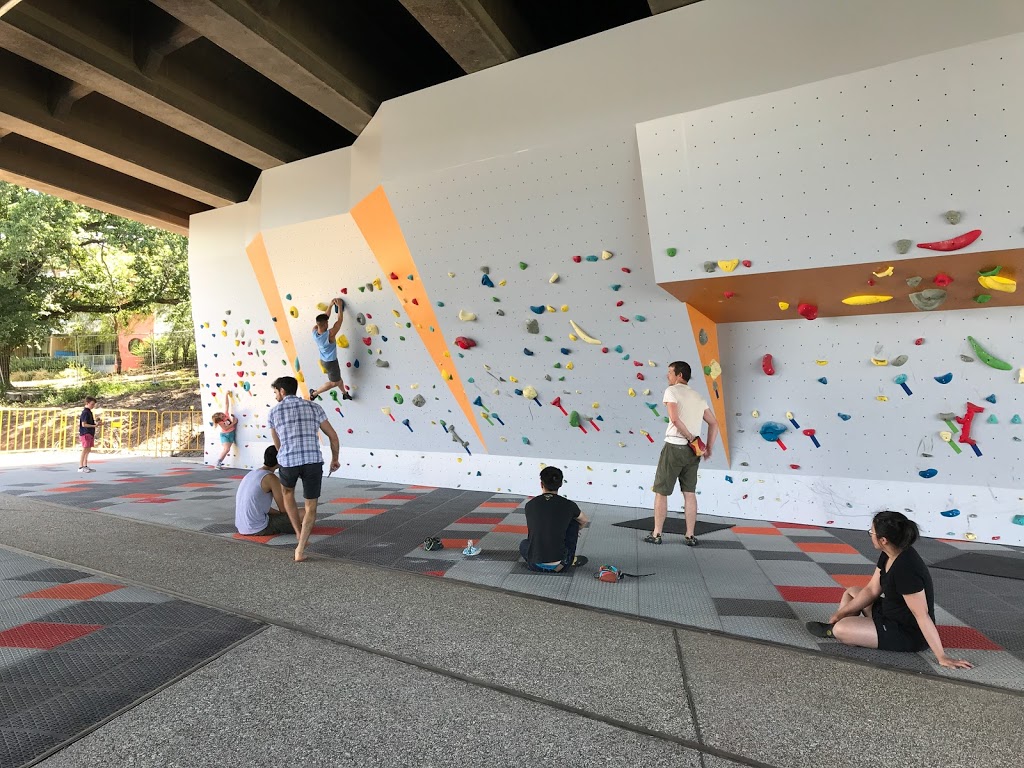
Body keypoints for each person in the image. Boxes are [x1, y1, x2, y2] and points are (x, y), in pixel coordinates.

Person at [806, 510, 973, 670]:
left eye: (871, 532)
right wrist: (840, 613)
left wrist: (941, 656)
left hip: (906, 633)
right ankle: (852, 629)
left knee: (842, 628)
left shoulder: (906, 569)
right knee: (852, 592)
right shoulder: (889, 553)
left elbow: (921, 615)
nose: (871, 535)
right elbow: (872, 590)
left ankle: (836, 631)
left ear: (883, 539)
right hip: (889, 614)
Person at [267, 375, 341, 562]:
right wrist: (335, 459)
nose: (276, 395)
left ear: (282, 391)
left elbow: (278, 445)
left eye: (276, 392)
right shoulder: (314, 407)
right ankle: (300, 549)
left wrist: (284, 456)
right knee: (311, 506)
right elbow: (333, 436)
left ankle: (298, 532)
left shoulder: (274, 412)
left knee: (288, 495)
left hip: (288, 463)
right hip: (312, 462)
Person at [646, 361, 719, 546]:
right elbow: (714, 423)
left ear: (679, 375)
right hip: (693, 453)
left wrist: (689, 437)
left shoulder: (671, 391)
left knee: (661, 492)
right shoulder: (698, 396)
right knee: (689, 493)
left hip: (674, 447)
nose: (667, 376)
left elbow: (675, 419)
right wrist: (707, 447)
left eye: (670, 372)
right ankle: (690, 535)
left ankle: (656, 534)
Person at [519, 466, 590, 572]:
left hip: (534, 565)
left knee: (524, 543)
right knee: (574, 523)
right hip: (561, 566)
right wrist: (576, 531)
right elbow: (584, 520)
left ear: (541, 484)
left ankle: (540, 561)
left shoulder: (530, 505)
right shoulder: (569, 505)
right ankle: (567, 559)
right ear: (560, 484)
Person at [234, 445, 296, 537]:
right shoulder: (271, 478)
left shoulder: (251, 473)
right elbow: (284, 509)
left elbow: (258, 506)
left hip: (242, 526)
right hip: (259, 527)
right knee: (305, 513)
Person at [309, 297, 352, 402]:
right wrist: (340, 307)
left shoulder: (314, 331)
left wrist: (331, 305)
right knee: (334, 383)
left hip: (325, 360)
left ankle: (344, 394)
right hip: (331, 362)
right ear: (325, 324)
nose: (328, 323)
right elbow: (339, 320)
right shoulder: (330, 335)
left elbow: (325, 318)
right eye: (327, 323)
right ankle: (314, 393)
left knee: (338, 379)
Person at [211, 391, 238, 469]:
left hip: (231, 434)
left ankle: (219, 462)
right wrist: (234, 423)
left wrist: (226, 395)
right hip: (225, 435)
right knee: (226, 449)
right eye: (221, 416)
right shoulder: (220, 422)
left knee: (227, 449)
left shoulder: (226, 415)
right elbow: (226, 428)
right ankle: (218, 462)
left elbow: (226, 405)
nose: (223, 415)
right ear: (219, 419)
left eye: (222, 414)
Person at [78, 397, 101, 473]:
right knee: (85, 449)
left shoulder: (89, 412)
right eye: (92, 404)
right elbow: (84, 424)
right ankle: (81, 466)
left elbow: (89, 423)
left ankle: (85, 465)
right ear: (87, 403)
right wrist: (94, 426)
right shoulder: (85, 412)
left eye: (94, 404)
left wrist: (96, 424)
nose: (93, 406)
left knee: (88, 449)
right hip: (85, 432)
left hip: (90, 433)